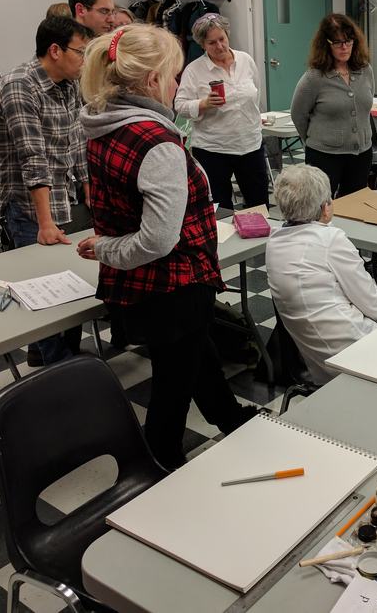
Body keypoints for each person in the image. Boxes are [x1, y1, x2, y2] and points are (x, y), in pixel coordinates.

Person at [76, 24, 256, 470]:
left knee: (198, 355)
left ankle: (232, 420)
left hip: (153, 283)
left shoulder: (104, 124)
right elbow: (158, 240)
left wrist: (107, 246)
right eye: (174, 76)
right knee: (173, 386)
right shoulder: (156, 143)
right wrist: (104, 249)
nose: (178, 85)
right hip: (172, 283)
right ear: (153, 80)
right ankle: (161, 466)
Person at [0, 16, 93, 365]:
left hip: (65, 197)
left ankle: (54, 354)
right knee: (44, 293)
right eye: (80, 51)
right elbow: (33, 157)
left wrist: (88, 187)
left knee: (70, 283)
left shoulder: (68, 84)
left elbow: (76, 140)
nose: (84, 59)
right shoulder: (20, 86)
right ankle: (60, 369)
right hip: (31, 208)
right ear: (55, 50)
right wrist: (45, 222)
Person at [266, 164, 377, 384]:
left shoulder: (274, 240)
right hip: (356, 353)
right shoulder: (330, 240)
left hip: (315, 362)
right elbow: (372, 304)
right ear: (325, 207)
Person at [174, 13, 267, 209]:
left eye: (222, 39)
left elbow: (255, 94)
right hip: (213, 149)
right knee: (219, 208)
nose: (219, 46)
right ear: (202, 45)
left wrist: (255, 119)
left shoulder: (246, 60)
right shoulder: (194, 70)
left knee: (258, 204)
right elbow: (179, 106)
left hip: (250, 144)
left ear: (228, 35)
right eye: (211, 43)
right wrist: (203, 103)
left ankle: (259, 239)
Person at [290, 13, 374, 197]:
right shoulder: (314, 78)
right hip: (324, 154)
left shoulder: (365, 70)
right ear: (326, 45)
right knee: (320, 207)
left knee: (355, 206)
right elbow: (298, 114)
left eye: (348, 41)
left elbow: (365, 105)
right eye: (337, 42)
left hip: (361, 153)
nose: (344, 47)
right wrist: (315, 140)